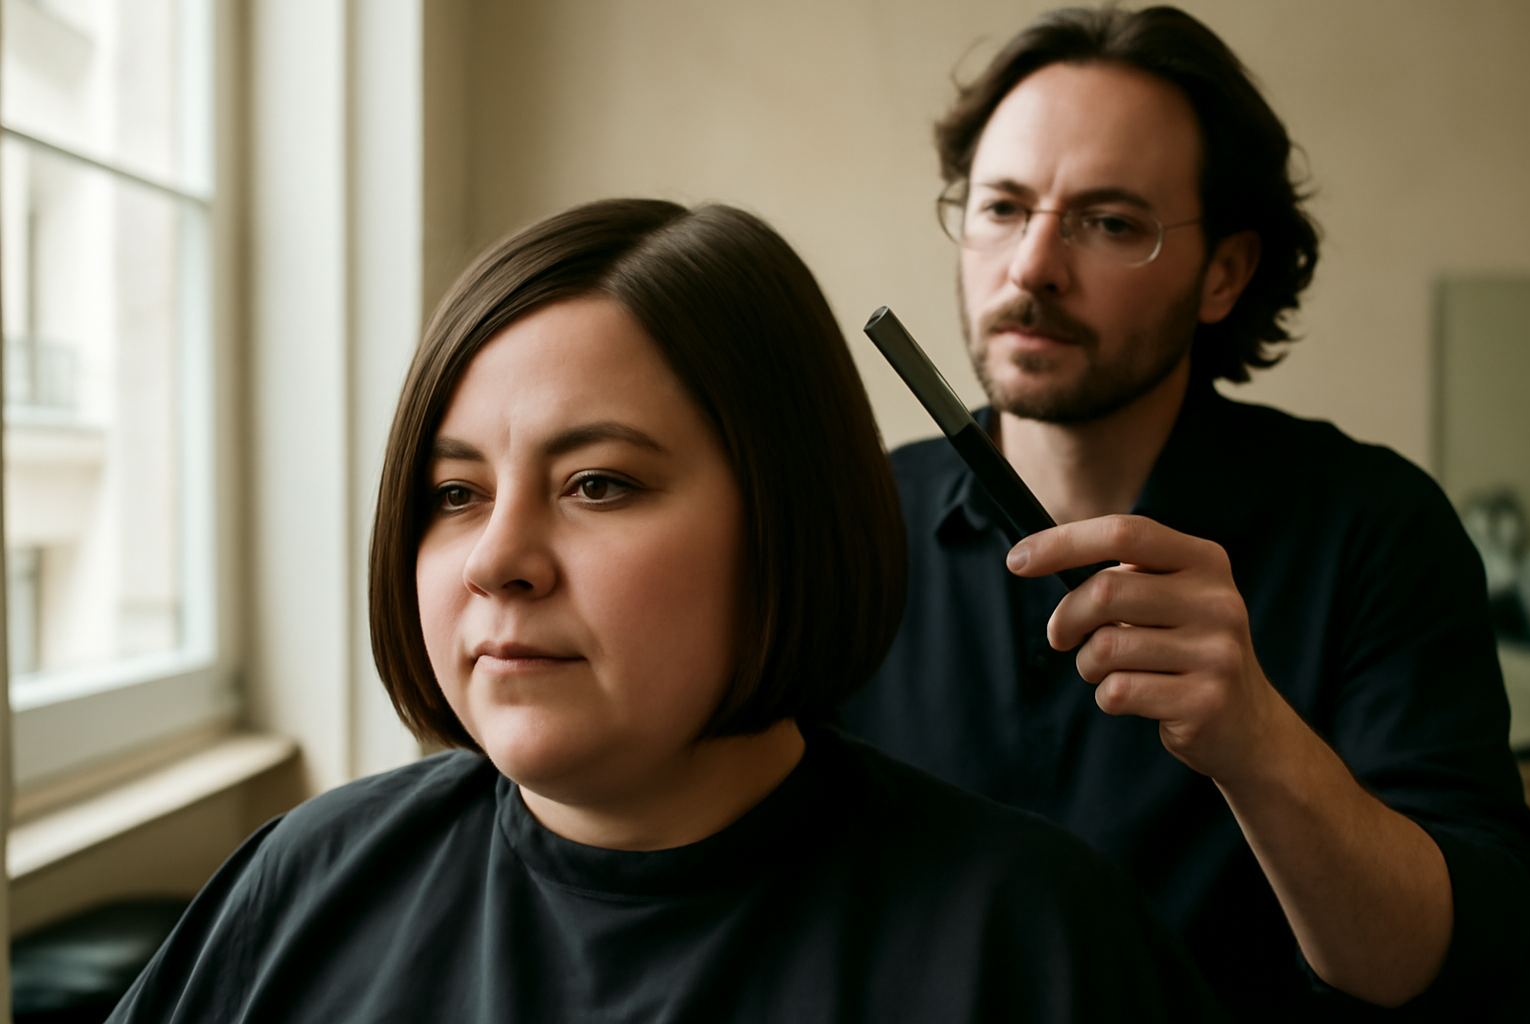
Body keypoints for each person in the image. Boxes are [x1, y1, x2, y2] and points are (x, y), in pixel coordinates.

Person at [106, 199, 1225, 1023]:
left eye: (598, 483)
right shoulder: (304, 881)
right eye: (454, 494)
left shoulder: (1035, 945)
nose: (498, 559)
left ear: (786, 516)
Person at [838, 6, 1530, 1022]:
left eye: (1111, 222)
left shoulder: (1375, 528)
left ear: (1224, 274)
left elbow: (1455, 965)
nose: (1031, 266)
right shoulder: (848, 523)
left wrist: (1257, 741)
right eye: (1001, 207)